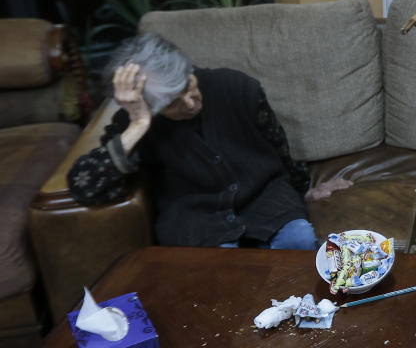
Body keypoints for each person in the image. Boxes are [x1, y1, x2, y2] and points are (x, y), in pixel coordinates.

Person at [67, 33, 319, 250]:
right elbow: (86, 187)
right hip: (197, 218)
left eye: (188, 85)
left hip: (265, 198)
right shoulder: (134, 120)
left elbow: (279, 147)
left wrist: (306, 187)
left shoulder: (238, 87)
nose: (189, 103)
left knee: (301, 241)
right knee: (223, 277)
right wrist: (138, 125)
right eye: (171, 103)